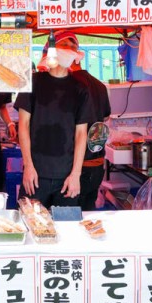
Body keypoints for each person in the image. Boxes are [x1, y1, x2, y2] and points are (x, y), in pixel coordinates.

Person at [14, 33, 95, 209]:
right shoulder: (33, 82)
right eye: (65, 44)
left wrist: (76, 174)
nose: (70, 49)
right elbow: (23, 125)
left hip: (67, 177)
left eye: (73, 47)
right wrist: (28, 166)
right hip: (35, 175)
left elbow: (82, 134)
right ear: (52, 50)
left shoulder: (81, 89)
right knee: (29, 225)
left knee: (67, 230)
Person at [58, 32, 112, 211]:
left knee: (66, 219)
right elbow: (104, 119)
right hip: (96, 166)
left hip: (72, 169)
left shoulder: (67, 85)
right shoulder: (99, 86)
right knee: (87, 217)